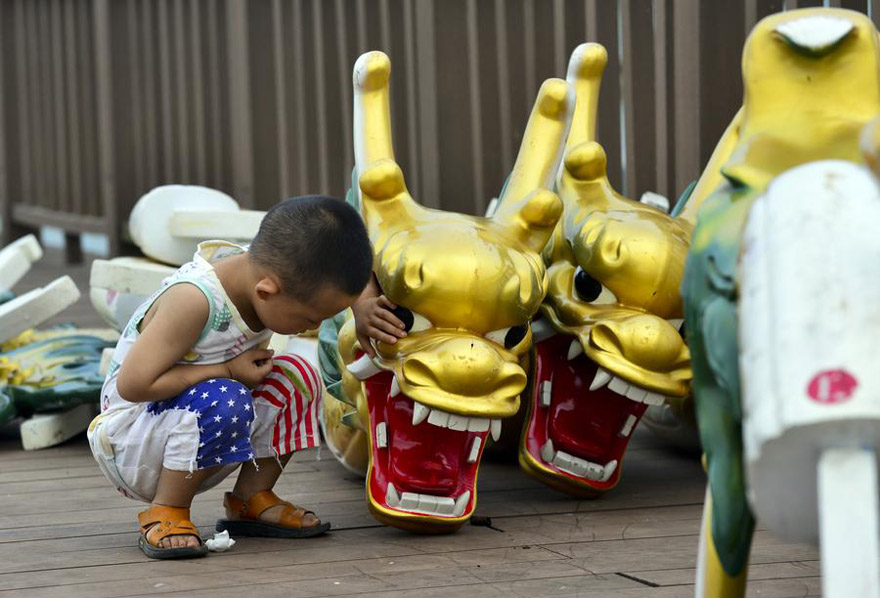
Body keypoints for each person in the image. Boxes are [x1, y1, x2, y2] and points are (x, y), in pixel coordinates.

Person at [88, 195, 376, 559]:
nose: (315, 327)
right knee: (227, 396)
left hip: (203, 420)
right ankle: (168, 509)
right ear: (267, 291)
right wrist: (225, 370)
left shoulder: (270, 272)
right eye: (310, 319)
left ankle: (250, 500)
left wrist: (363, 303)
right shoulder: (195, 300)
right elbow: (134, 385)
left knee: (300, 376)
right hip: (134, 437)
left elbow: (343, 271)